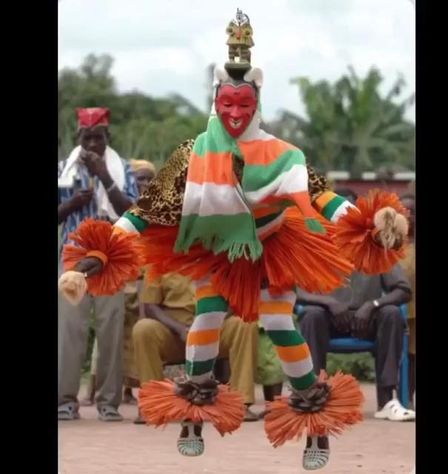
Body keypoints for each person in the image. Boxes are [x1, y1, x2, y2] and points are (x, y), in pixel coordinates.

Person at [60, 11, 409, 470]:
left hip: (272, 250)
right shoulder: (193, 156)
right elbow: (145, 212)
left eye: (245, 105)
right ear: (216, 101)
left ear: (257, 101)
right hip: (217, 253)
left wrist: (370, 221)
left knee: (282, 326)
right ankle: (194, 413)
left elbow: (321, 197)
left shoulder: (284, 155)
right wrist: (91, 259)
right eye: (228, 104)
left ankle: (315, 425)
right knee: (206, 324)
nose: (236, 114)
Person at [57, 107, 138, 422]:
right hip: (74, 259)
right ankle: (65, 400)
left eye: (98, 138)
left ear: (108, 137)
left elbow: (130, 212)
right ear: (79, 137)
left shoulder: (123, 169)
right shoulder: (63, 169)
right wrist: (72, 203)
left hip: (111, 259)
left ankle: (108, 402)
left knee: (110, 330)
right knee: (70, 329)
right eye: (87, 137)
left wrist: (104, 174)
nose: (92, 144)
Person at [132, 273, 258, 424]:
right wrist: (180, 329)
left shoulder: (220, 256)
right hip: (175, 333)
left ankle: (241, 403)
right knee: (143, 329)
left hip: (214, 328)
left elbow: (235, 300)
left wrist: (207, 325)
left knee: (245, 324)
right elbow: (150, 307)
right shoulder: (159, 259)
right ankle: (151, 406)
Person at [81, 159, 157, 407]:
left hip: (144, 280)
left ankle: (127, 391)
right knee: (108, 337)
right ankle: (93, 390)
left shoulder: (158, 208)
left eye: (148, 178)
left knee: (134, 336)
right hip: (119, 279)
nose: (144, 183)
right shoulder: (119, 210)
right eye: (139, 178)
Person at [298, 264, 415, 421]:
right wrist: (328, 302)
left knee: (391, 314)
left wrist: (372, 305)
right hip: (329, 317)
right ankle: (313, 397)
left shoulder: (376, 248)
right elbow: (294, 291)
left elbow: (404, 290)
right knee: (311, 315)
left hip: (368, 319)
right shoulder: (317, 246)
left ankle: (387, 401)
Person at [400, 192, 415, 404]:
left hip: (414, 310)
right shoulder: (388, 243)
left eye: (412, 211)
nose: (408, 214)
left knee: (413, 355)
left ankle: (408, 397)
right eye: (403, 211)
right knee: (398, 356)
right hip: (396, 308)